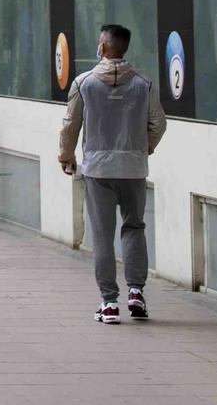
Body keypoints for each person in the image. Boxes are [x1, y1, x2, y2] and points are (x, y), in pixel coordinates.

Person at [61, 23, 166, 323]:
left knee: (103, 235)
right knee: (134, 227)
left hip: (98, 169)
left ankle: (109, 303)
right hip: (133, 168)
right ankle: (136, 292)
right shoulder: (144, 84)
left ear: (104, 47)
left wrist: (66, 156)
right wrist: (143, 149)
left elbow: (71, 124)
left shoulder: (84, 83)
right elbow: (158, 124)